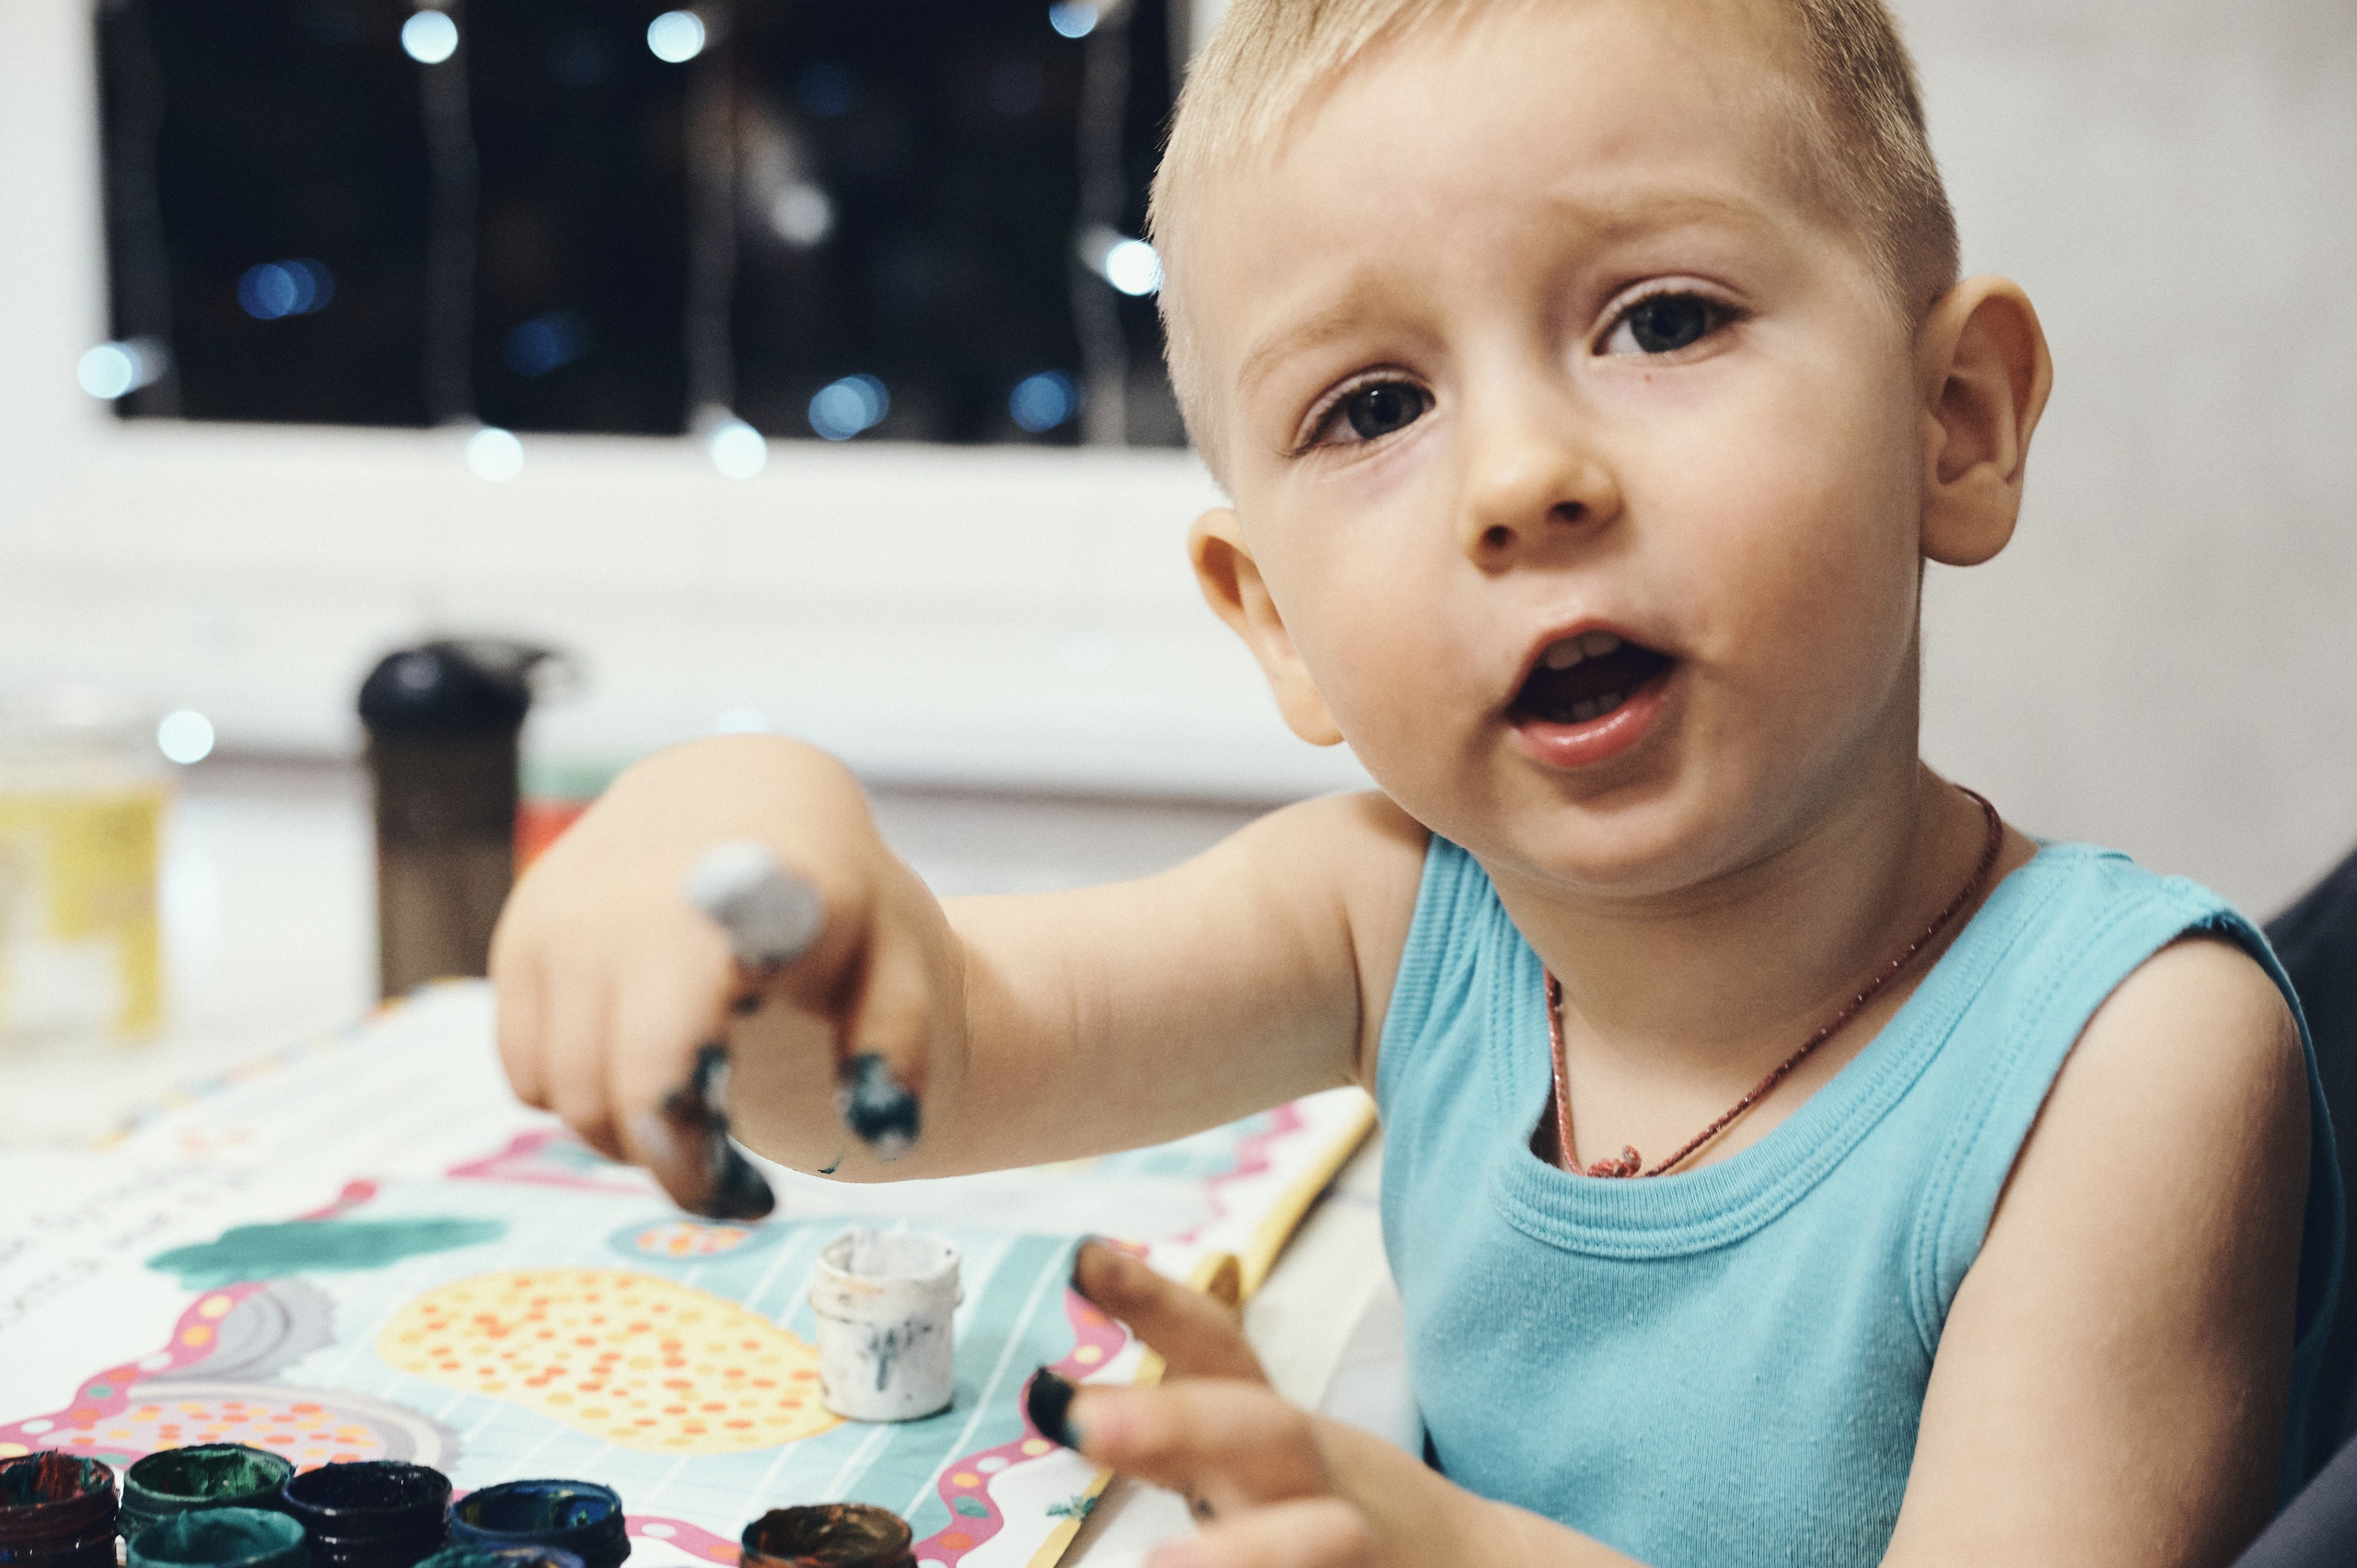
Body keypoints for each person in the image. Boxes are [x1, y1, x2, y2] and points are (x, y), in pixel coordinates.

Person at [489, 1, 2341, 1562]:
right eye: (1373, 406)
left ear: (1952, 425)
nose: (1521, 478)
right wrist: (735, 838)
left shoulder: (2129, 1064)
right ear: (1272, 620)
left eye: (1663, 317)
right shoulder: (1397, 907)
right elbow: (925, 1064)